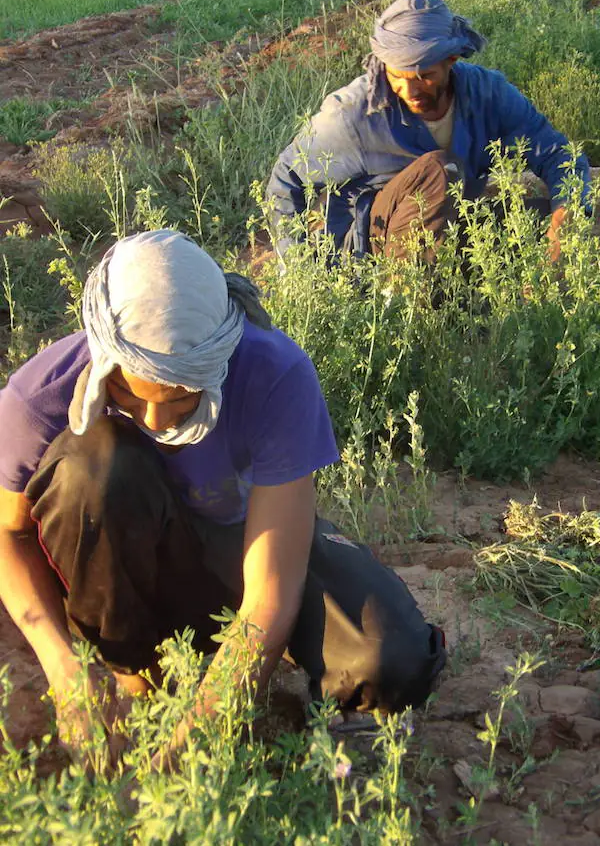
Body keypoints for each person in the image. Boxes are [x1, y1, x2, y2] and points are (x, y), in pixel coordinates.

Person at [0, 230, 445, 764]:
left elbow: (268, 598)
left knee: (389, 658)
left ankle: (282, 701)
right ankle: (134, 671)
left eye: (182, 397)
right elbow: (7, 532)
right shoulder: (40, 395)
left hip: (237, 548)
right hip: (118, 574)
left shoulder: (274, 374)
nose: (157, 421)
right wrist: (66, 669)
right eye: (126, 393)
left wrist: (201, 731)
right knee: (89, 469)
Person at [267, 0, 591, 264]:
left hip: (450, 224)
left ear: (451, 60)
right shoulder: (352, 114)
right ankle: (416, 305)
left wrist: (565, 219)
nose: (410, 91)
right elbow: (286, 177)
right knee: (437, 170)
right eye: (398, 77)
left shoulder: (487, 93)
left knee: (533, 220)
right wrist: (297, 266)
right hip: (374, 248)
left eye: (425, 75)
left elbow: (556, 154)